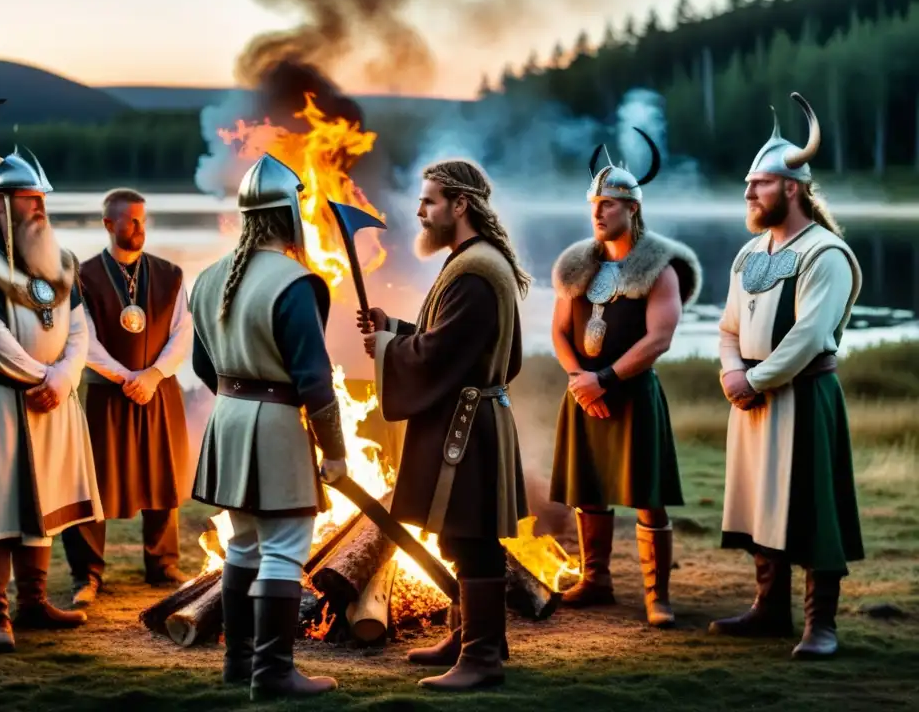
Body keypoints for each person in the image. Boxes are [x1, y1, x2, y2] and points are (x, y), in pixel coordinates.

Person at [358, 159, 528, 692]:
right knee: (463, 536)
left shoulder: (476, 270)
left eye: (429, 200)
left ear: (460, 205)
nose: (419, 210)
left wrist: (388, 348)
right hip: (471, 416)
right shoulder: (474, 261)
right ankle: (472, 638)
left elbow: (443, 351)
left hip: (468, 426)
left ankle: (481, 660)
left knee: (472, 537)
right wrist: (397, 330)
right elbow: (454, 339)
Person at [0, 98, 101, 652]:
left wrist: (65, 377)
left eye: (41, 201)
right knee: (0, 507)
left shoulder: (62, 263)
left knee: (45, 506)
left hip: (54, 401)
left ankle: (33, 603)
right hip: (5, 403)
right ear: (1, 205)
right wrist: (44, 377)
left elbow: (80, 330)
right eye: (28, 201)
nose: (38, 210)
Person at [710, 92, 864, 660]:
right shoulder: (750, 254)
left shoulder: (825, 253)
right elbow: (728, 327)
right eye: (749, 185)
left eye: (761, 184)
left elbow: (806, 336)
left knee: (811, 505)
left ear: (792, 188)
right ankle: (770, 609)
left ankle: (820, 625)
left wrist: (753, 381)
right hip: (750, 398)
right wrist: (733, 373)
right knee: (759, 501)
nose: (749, 193)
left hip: (803, 397)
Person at [187, 153, 347, 701]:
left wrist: (239, 406)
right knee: (282, 550)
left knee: (243, 546)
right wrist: (336, 452)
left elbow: (202, 367)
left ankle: (238, 663)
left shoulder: (207, 279)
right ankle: (274, 673)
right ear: (289, 214)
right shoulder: (296, 282)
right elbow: (315, 379)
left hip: (227, 421)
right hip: (276, 425)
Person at [547, 130, 702, 628]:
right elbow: (557, 329)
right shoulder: (577, 263)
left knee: (646, 493)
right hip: (583, 392)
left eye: (610, 204)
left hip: (631, 394)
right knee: (589, 488)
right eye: (595, 203)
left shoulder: (659, 266)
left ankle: (658, 595)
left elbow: (659, 338)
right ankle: (596, 581)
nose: (598, 212)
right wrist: (579, 379)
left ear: (632, 209)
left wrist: (605, 379)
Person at [62, 188, 194, 605]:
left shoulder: (170, 274)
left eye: (142, 219)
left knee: (162, 472)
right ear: (108, 224)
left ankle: (163, 565)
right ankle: (87, 574)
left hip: (157, 390)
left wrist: (152, 375)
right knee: (94, 480)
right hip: (107, 394)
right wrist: (125, 377)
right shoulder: (82, 276)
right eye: (130, 220)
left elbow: (182, 333)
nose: (139, 227)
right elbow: (83, 338)